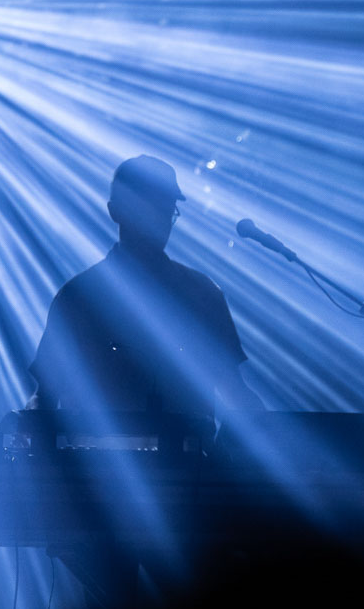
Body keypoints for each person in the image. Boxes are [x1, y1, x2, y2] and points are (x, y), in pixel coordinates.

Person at [28, 154, 262, 431]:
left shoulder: (203, 294)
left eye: (166, 209)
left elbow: (233, 388)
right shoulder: (78, 298)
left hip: (194, 469)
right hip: (102, 466)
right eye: (146, 206)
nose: (159, 219)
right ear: (115, 211)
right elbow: (46, 393)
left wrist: (271, 431)